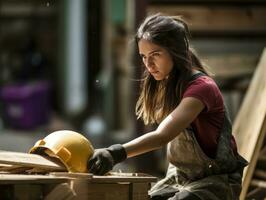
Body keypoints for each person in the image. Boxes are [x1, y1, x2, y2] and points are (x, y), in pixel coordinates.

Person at [87, 13, 248, 200]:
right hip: (180, 178)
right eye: (143, 56)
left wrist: (115, 153)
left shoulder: (202, 88)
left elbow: (162, 136)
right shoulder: (169, 82)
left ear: (176, 51)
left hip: (216, 182)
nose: (148, 64)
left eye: (155, 55)